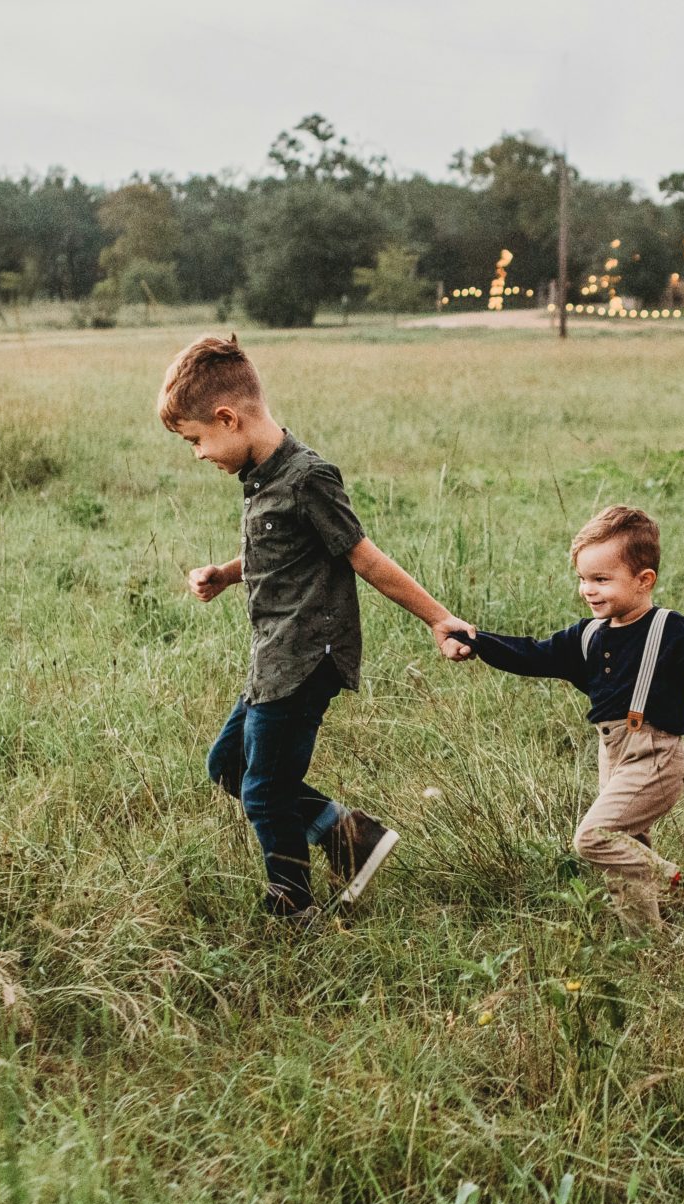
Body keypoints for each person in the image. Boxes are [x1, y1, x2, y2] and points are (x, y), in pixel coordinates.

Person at [159, 333, 469, 924]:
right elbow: (280, 553)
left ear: (228, 418)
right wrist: (227, 573)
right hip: (271, 658)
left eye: (197, 440)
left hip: (305, 659)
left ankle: (292, 905)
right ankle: (351, 837)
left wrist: (439, 618)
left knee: (264, 790)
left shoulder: (308, 478)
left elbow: (362, 556)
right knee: (227, 766)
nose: (198, 454)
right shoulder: (261, 479)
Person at [445, 505, 684, 938]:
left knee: (595, 838)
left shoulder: (667, 628)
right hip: (613, 755)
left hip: (655, 755)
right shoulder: (587, 635)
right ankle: (648, 948)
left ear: (644, 581)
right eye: (583, 579)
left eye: (601, 579)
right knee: (625, 855)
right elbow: (531, 654)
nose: (588, 590)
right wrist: (476, 641)